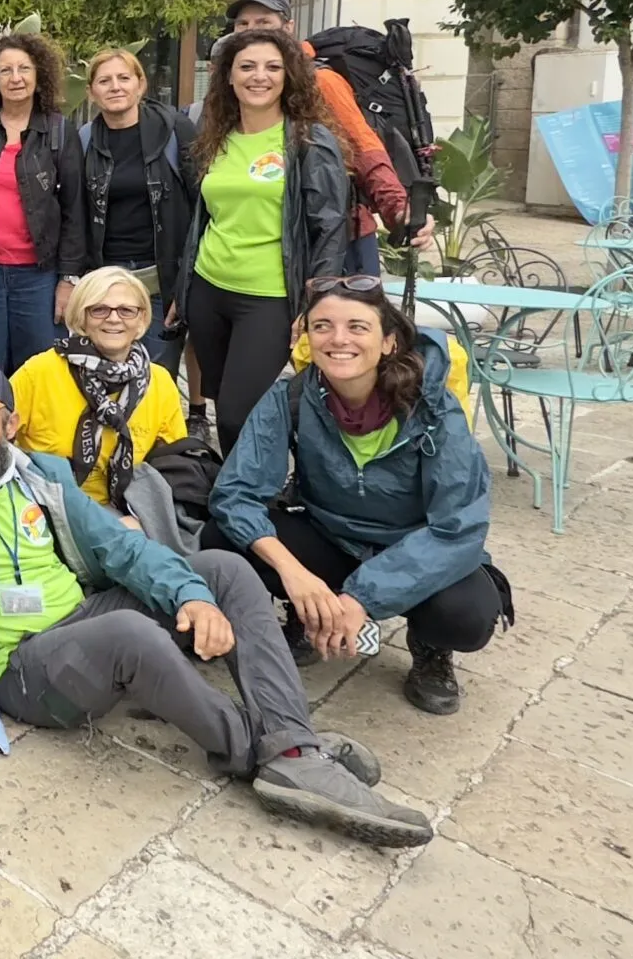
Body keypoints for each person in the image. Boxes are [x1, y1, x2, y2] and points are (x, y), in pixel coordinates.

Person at [0, 361, 434, 848]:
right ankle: (257, 753)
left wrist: (190, 595)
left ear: (10, 425)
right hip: (13, 667)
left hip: (76, 618)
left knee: (223, 570)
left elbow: (117, 549)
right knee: (134, 633)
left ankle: (294, 746)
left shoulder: (40, 474)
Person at [207, 278, 510, 717]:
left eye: (357, 327)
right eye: (323, 326)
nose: (339, 339)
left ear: (388, 342)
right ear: (308, 338)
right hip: (330, 536)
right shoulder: (291, 397)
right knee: (220, 540)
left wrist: (361, 598)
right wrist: (296, 575)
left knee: (466, 615)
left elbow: (457, 528)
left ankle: (430, 647)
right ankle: (309, 611)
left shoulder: (433, 409)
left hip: (411, 545)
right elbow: (235, 494)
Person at [178, 28, 350, 452]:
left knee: (238, 413)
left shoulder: (308, 142)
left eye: (273, 67)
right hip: (208, 290)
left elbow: (329, 226)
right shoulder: (214, 138)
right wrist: (184, 286)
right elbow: (203, 219)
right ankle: (238, 492)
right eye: (248, 67)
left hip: (269, 297)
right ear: (229, 77)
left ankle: (251, 498)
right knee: (222, 401)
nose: (260, 76)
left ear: (289, 76)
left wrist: (317, 301)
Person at [229, 0, 429, 272]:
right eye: (243, 24)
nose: (251, 31)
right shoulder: (239, 88)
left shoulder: (322, 82)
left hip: (342, 238)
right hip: (276, 240)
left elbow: (364, 147)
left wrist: (397, 207)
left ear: (288, 28)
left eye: (264, 22)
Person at [8, 268, 192, 553]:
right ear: (81, 317)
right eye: (100, 309)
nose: (114, 318)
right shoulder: (39, 372)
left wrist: (140, 518)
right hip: (47, 511)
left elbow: (171, 468)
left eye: (127, 310)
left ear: (143, 319)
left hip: (127, 514)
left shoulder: (160, 382)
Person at [0, 32, 85, 376]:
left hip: (38, 277)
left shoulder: (60, 132)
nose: (15, 78)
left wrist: (68, 280)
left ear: (39, 77)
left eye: (24, 68)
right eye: (5, 70)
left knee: (39, 375)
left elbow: (74, 211)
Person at [74, 49, 193, 370]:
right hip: (105, 279)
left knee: (156, 376)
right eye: (104, 80)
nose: (115, 87)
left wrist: (185, 284)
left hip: (161, 278)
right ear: (91, 92)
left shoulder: (175, 131)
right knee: (105, 373)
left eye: (124, 78)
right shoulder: (84, 140)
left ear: (141, 85)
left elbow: (200, 206)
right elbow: (76, 214)